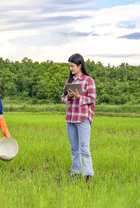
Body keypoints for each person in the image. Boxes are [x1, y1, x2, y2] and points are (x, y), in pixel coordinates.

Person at [61, 53, 96, 183]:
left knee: (84, 149)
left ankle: (88, 175)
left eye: (72, 66)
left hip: (83, 119)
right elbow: (63, 99)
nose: (70, 69)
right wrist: (69, 97)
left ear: (80, 66)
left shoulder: (88, 80)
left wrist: (79, 96)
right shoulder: (69, 81)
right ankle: (75, 173)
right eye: (69, 66)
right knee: (74, 149)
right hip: (70, 119)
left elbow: (92, 99)